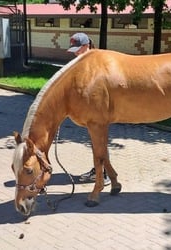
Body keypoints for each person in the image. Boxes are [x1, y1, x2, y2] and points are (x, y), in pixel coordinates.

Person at [67, 32, 111, 186]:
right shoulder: (83, 62)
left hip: (100, 110)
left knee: (99, 139)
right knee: (96, 140)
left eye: (79, 49)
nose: (76, 53)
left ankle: (103, 174)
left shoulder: (95, 63)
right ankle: (99, 170)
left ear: (87, 46)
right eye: (74, 50)